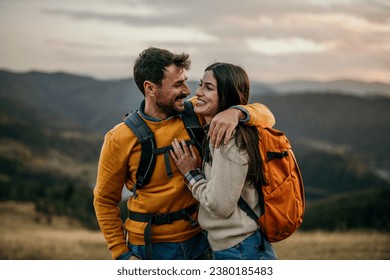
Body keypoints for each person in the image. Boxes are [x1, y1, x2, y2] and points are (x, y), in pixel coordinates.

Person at [93, 47, 275, 260]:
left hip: (199, 241)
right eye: (178, 84)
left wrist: (237, 112)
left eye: (186, 81)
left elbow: (266, 115)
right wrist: (121, 255)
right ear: (150, 88)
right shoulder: (119, 138)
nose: (188, 91)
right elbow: (104, 200)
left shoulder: (195, 113)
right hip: (149, 248)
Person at [170, 62, 278, 260]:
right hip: (235, 247)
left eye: (209, 87)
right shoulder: (217, 128)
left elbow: (220, 205)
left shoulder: (229, 139)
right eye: (201, 84)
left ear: (227, 95)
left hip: (241, 250)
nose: (198, 92)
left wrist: (190, 173)